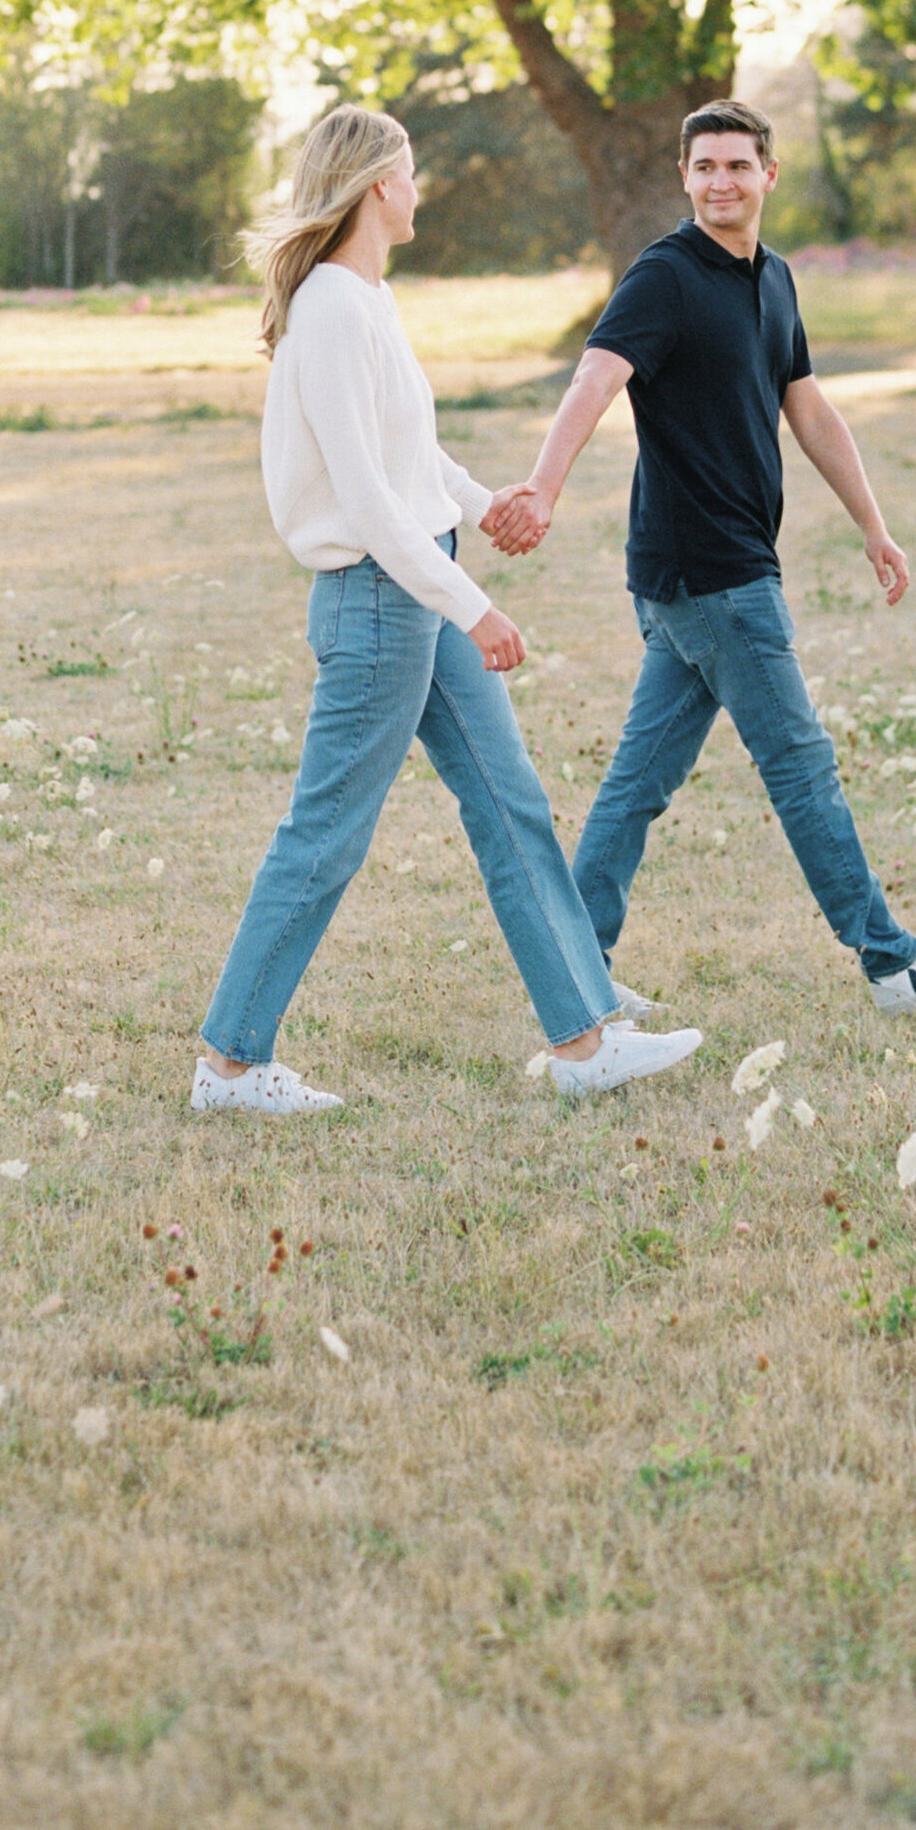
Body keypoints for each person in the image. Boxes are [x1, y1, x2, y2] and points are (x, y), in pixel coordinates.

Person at [193, 105, 705, 1111]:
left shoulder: (368, 300)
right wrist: (473, 607)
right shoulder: (334, 307)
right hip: (384, 602)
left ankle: (584, 1039)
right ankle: (231, 1063)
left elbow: (407, 457)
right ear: (378, 184)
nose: (421, 190)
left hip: (413, 584)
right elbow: (368, 498)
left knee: (509, 802)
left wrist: (485, 503)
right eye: (412, 173)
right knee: (326, 831)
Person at [483, 99, 916, 1019]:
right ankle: (892, 962)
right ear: (684, 179)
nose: (720, 182)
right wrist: (543, 486)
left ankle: (573, 969)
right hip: (711, 572)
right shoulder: (665, 276)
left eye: (737, 165)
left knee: (638, 783)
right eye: (704, 167)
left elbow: (808, 409)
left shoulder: (774, 280)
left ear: (769, 174)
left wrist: (874, 528)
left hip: (710, 572)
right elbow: (596, 376)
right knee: (801, 765)